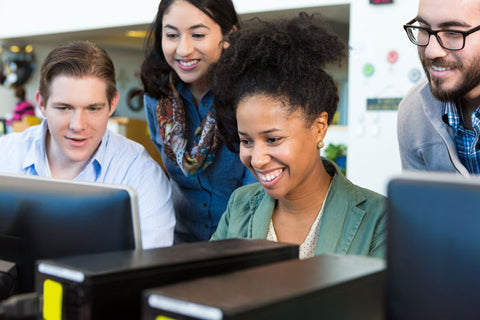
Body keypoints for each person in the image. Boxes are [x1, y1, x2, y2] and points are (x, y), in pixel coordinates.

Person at [209, 14, 386, 259]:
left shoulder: (378, 218)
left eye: (273, 139)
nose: (258, 159)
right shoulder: (239, 205)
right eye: (246, 141)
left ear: (319, 127)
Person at [0, 41, 175, 249]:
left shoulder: (139, 173)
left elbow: (149, 269)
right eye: (64, 108)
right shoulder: (5, 155)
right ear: (41, 104)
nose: (78, 126)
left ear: (112, 104)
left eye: (93, 108)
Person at [141, 0, 256, 243]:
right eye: (172, 35)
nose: (183, 49)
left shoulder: (251, 95)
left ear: (229, 37)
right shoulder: (157, 100)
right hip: (178, 241)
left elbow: (255, 192)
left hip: (242, 240)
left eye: (198, 34)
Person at [398, 0, 480, 175]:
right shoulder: (413, 111)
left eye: (453, 32)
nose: (431, 51)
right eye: (424, 28)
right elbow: (419, 200)